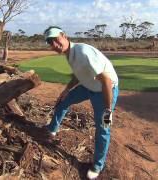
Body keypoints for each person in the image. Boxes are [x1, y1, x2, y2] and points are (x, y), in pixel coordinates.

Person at [43, 26, 119, 179]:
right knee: (63, 101)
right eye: (51, 43)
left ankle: (97, 165)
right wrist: (66, 90)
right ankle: (52, 129)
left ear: (64, 35)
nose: (55, 45)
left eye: (56, 39)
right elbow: (79, 74)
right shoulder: (69, 54)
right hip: (88, 85)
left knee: (103, 127)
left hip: (105, 91)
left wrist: (108, 109)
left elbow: (106, 80)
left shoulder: (83, 52)